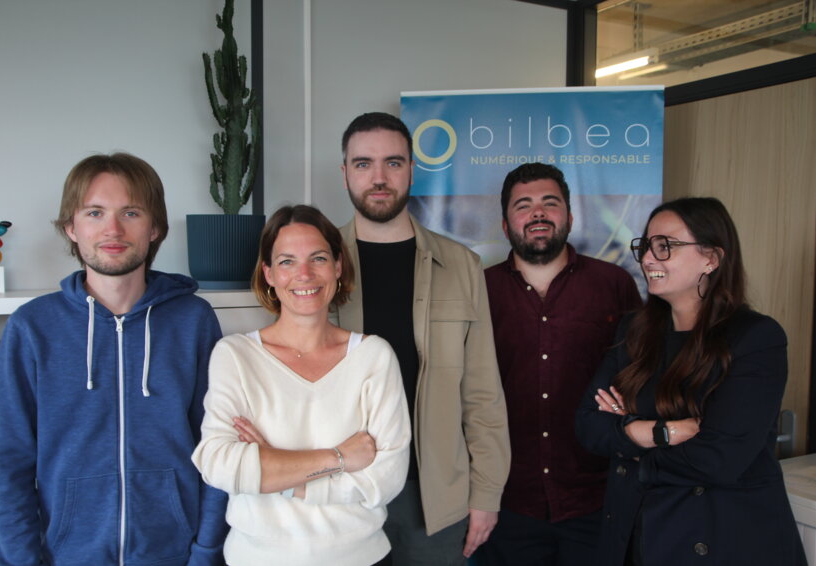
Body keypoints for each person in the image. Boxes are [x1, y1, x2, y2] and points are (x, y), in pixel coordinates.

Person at [0, 152, 229, 565]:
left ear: (154, 228)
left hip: (176, 555)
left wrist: (207, 552)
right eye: (95, 212)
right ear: (71, 227)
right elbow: (10, 466)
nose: (113, 229)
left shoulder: (193, 321)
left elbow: (218, 447)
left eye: (131, 212)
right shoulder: (32, 328)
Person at [575, 197, 807, 565]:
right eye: (646, 246)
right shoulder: (635, 331)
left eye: (665, 246)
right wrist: (663, 433)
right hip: (637, 533)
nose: (648, 258)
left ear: (711, 258)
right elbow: (589, 424)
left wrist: (627, 437)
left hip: (722, 539)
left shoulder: (755, 337)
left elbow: (718, 459)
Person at [336, 111, 510, 564]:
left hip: (433, 497)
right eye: (363, 164)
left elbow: (483, 393)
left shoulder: (461, 265)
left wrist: (487, 494)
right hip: (340, 491)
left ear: (412, 169)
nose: (378, 177)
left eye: (393, 163)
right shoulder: (317, 265)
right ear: (344, 173)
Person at [192, 204, 410, 566]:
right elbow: (218, 465)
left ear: (338, 267)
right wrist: (338, 459)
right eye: (287, 261)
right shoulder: (235, 355)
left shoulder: (373, 356)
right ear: (269, 274)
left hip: (361, 558)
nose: (304, 274)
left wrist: (280, 473)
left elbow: (385, 479)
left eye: (318, 258)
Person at [477, 163, 641, 566]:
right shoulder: (478, 291)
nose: (538, 213)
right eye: (524, 205)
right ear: (504, 223)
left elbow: (641, 375)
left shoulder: (614, 284)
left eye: (550, 203)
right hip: (507, 503)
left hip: (597, 500)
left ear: (569, 216)